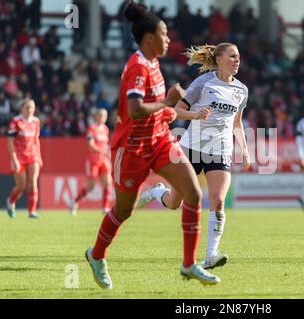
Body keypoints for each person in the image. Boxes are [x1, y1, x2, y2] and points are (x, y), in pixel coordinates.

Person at [85, 1, 220, 290]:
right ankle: (96, 255)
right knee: (123, 211)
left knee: (193, 193)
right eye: (164, 33)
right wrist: (168, 102)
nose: (168, 38)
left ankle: (188, 264)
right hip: (132, 148)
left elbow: (155, 109)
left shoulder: (154, 64)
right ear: (149, 38)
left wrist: (169, 112)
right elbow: (135, 110)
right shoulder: (137, 66)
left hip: (159, 140)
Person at [137, 43, 251, 270]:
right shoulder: (203, 83)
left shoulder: (242, 90)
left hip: (220, 150)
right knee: (174, 202)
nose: (237, 60)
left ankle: (211, 255)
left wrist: (244, 149)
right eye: (232, 56)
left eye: (238, 56)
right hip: (192, 147)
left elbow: (236, 122)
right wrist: (195, 115)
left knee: (218, 201)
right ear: (219, 59)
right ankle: (157, 192)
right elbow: (176, 110)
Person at [69, 108, 112, 216]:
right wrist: (103, 151)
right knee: (90, 187)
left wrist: (108, 153)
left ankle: (105, 208)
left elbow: (106, 145)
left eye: (105, 116)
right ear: (96, 116)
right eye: (101, 115)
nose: (103, 117)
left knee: (107, 183)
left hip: (103, 160)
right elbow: (91, 145)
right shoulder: (91, 129)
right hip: (93, 160)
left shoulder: (106, 129)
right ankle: (75, 201)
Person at [6, 98, 42, 219]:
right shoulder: (15, 121)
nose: (30, 110)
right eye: (27, 107)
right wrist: (14, 159)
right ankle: (11, 201)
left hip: (33, 155)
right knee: (22, 186)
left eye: (32, 107)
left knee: (33, 182)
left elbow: (36, 140)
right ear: (22, 108)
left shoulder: (36, 121)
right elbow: (10, 142)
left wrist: (39, 156)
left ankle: (32, 211)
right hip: (19, 156)